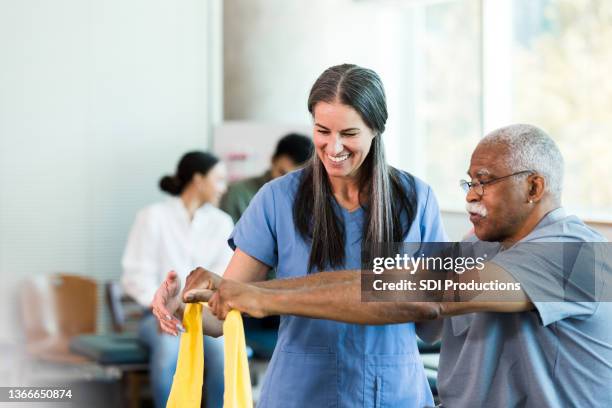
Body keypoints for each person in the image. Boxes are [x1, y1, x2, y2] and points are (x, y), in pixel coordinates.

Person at [189, 124, 612, 408]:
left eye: (484, 182)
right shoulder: (476, 249)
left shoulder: (581, 259)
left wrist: (263, 297)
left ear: (534, 186)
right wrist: (226, 290)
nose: (470, 196)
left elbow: (426, 296)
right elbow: (384, 279)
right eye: (469, 183)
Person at [152, 64, 448, 407]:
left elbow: (432, 324)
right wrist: (180, 306)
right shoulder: (277, 199)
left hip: (393, 391)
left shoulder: (415, 200)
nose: (333, 147)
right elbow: (223, 312)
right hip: (302, 390)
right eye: (322, 130)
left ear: (376, 129)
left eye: (349, 133)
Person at [121, 151, 233, 408]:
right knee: (169, 351)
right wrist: (164, 308)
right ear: (198, 180)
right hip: (157, 317)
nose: (224, 188)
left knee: (222, 353)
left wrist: (192, 307)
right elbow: (135, 275)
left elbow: (222, 277)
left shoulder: (222, 222)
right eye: (219, 180)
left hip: (204, 316)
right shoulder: (152, 217)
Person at [220, 132, 313, 223]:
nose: (287, 181)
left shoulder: (312, 199)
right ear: (272, 160)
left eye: (296, 177)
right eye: (282, 173)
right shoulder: (238, 193)